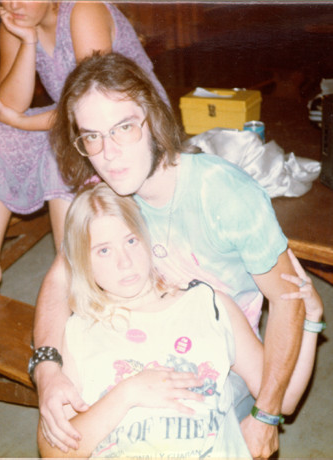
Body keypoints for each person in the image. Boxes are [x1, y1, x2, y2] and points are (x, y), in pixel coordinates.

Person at [32, 52, 313, 458]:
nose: (108, 153)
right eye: (92, 136)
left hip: (218, 353)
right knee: (69, 423)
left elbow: (289, 302)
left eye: (123, 128)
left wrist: (267, 415)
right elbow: (60, 278)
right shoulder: (111, 187)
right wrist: (47, 371)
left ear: (153, 118)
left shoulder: (225, 194)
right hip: (134, 329)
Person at [37, 182, 324, 458]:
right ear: (82, 261)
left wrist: (310, 322)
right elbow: (55, 451)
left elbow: (282, 401)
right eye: (104, 250)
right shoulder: (80, 331)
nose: (124, 262)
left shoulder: (211, 306)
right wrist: (128, 393)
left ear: (147, 237)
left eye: (131, 240)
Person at [0, 1, 168, 296]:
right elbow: (9, 106)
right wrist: (27, 42)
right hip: (75, 116)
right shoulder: (15, 23)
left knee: (59, 148)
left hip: (132, 121)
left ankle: (72, 275)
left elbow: (94, 102)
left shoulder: (83, 10)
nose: (12, 4)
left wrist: (21, 121)